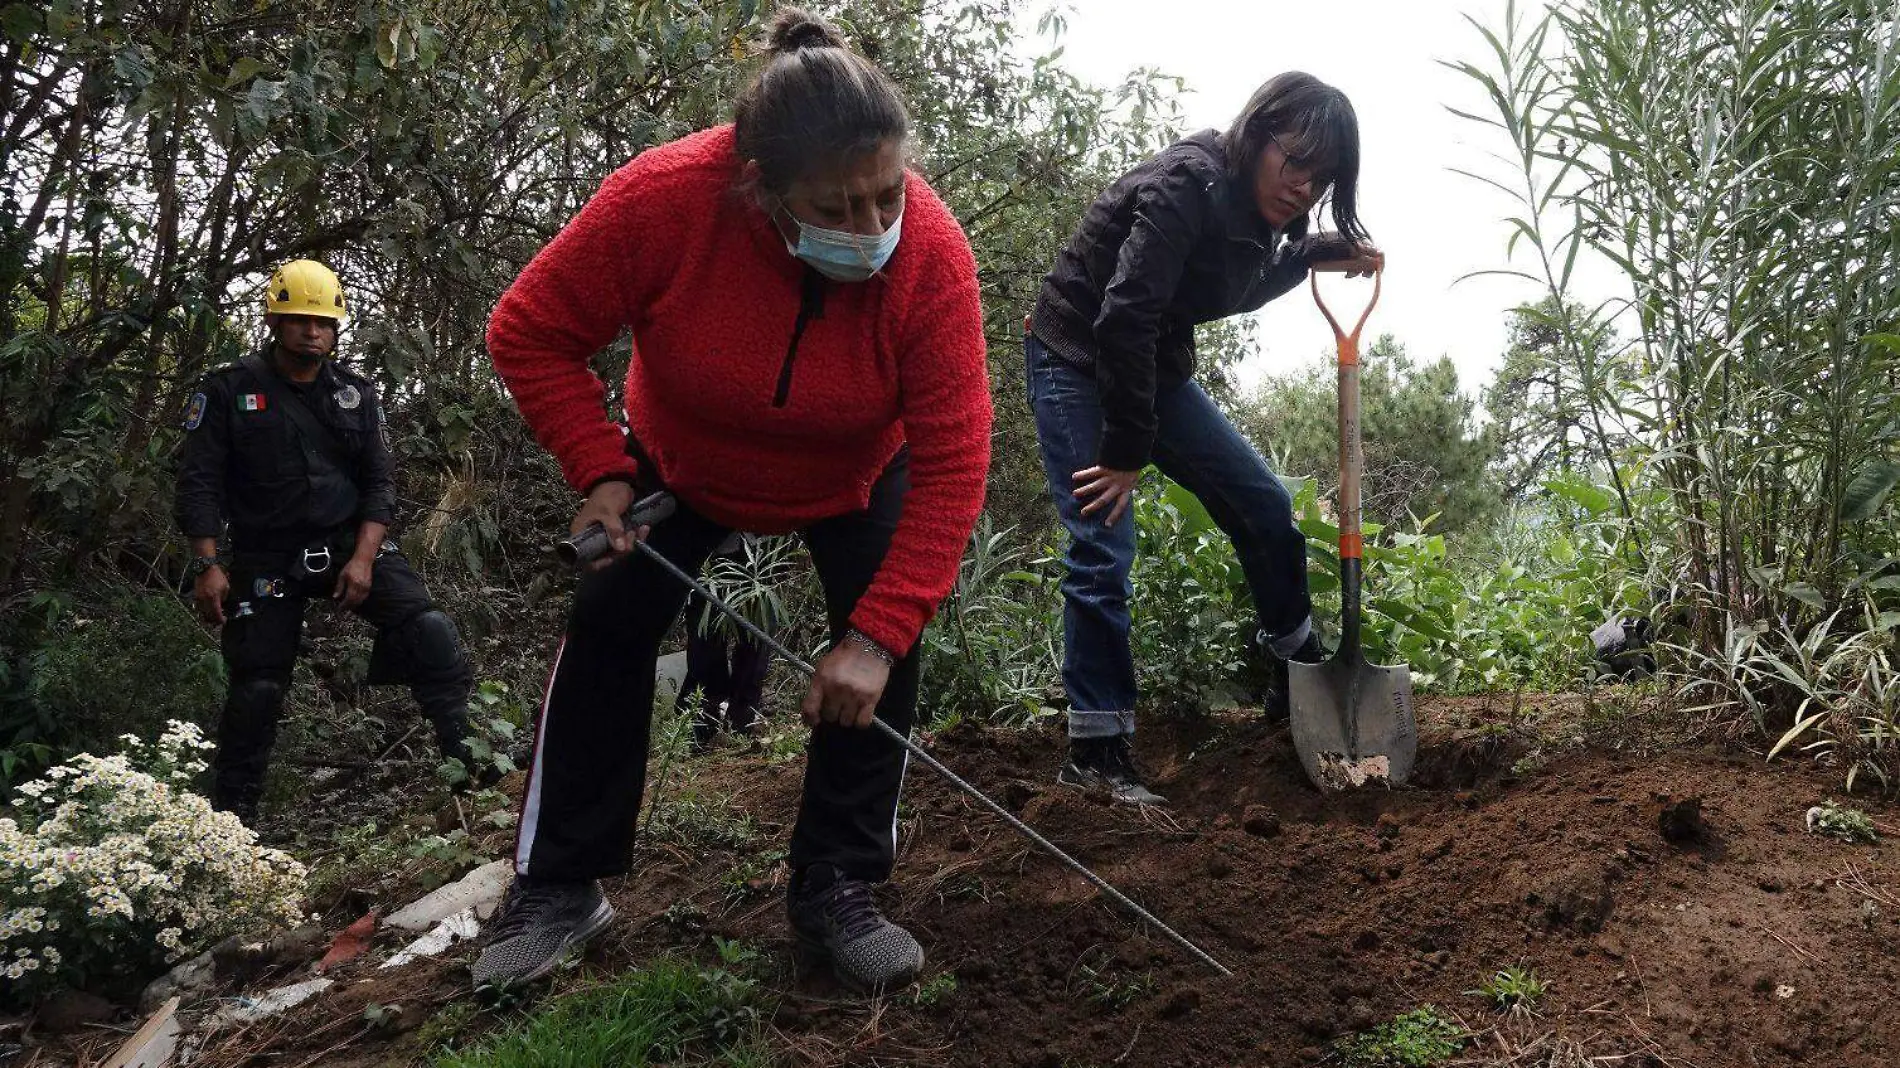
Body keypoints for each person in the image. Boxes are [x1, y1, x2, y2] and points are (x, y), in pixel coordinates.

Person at [477, 8, 990, 992]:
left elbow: (955, 460)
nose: (872, 230)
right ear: (758, 187)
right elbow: (529, 331)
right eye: (837, 210)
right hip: (685, 459)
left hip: (853, 471)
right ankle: (558, 886)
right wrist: (602, 471)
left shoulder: (931, 256)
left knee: (889, 634)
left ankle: (836, 883)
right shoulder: (662, 202)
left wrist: (874, 639)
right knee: (607, 621)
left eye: (887, 198)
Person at [1025, 73, 1383, 805]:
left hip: (1147, 364)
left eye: (1321, 180)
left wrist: (1314, 252)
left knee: (1260, 505)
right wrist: (1127, 453)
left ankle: (1295, 673)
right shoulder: (1185, 185)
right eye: (1295, 162)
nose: (1303, 187)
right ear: (1258, 133)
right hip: (1075, 355)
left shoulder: (1260, 214)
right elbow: (1122, 314)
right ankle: (1096, 752)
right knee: (1102, 538)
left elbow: (1228, 289)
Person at [174, 259, 483, 825]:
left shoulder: (354, 394)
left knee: (429, 630)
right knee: (258, 683)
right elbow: (199, 481)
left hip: (345, 540)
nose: (311, 332)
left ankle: (472, 767)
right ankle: (233, 819)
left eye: (323, 322)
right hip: (265, 551)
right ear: (274, 319)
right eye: (298, 320)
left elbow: (379, 484)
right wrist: (207, 564)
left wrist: (364, 559)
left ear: (337, 327)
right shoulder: (227, 389)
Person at [675, 533, 775, 754]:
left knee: (754, 644)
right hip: (707, 553)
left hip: (758, 551)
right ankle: (700, 730)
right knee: (705, 644)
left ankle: (741, 727)